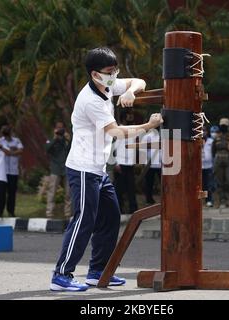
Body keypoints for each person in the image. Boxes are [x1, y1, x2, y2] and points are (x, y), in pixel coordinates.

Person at [50, 47, 162, 292]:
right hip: (82, 168)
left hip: (98, 170)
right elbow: (117, 132)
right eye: (110, 72)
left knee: (110, 217)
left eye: (115, 71)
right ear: (95, 74)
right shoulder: (90, 100)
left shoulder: (108, 85)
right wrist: (150, 124)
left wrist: (131, 91)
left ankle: (97, 271)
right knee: (83, 220)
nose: (114, 75)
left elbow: (139, 81)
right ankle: (61, 275)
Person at [45, 121, 72, 218]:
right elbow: (47, 149)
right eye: (57, 128)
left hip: (66, 168)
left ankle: (68, 213)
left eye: (61, 128)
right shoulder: (51, 139)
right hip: (55, 169)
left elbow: (72, 150)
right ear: (54, 129)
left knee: (68, 192)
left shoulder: (67, 139)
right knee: (52, 191)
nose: (59, 130)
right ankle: (49, 213)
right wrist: (54, 139)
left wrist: (68, 140)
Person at [113, 114, 138, 214]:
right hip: (121, 164)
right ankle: (119, 209)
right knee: (119, 188)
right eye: (128, 117)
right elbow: (114, 148)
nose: (130, 119)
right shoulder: (119, 132)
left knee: (131, 187)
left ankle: (133, 209)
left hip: (130, 164)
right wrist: (117, 163)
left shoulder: (132, 132)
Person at [0, 125, 23, 217]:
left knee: (12, 193)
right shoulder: (0, 141)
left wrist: (11, 153)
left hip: (13, 171)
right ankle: (0, 211)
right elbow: (2, 150)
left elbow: (20, 150)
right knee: (1, 193)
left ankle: (11, 211)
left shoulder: (16, 140)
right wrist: (13, 151)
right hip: (2, 171)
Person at [212, 118, 229, 208]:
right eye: (222, 126)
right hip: (218, 159)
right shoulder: (217, 137)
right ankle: (219, 201)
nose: (223, 127)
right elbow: (213, 150)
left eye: (225, 126)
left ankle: (228, 200)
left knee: (228, 180)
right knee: (219, 180)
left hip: (228, 159)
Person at [141, 127, 161, 206]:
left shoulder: (163, 136)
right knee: (149, 183)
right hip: (149, 164)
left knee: (163, 182)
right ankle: (149, 199)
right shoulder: (147, 137)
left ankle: (164, 199)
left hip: (161, 163)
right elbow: (142, 150)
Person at [202, 126, 215, 207]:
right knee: (201, 185)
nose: (203, 132)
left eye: (204, 131)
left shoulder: (211, 141)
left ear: (207, 132)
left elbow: (214, 153)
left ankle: (208, 200)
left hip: (209, 166)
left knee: (208, 185)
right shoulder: (196, 141)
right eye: (201, 131)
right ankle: (201, 200)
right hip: (199, 167)